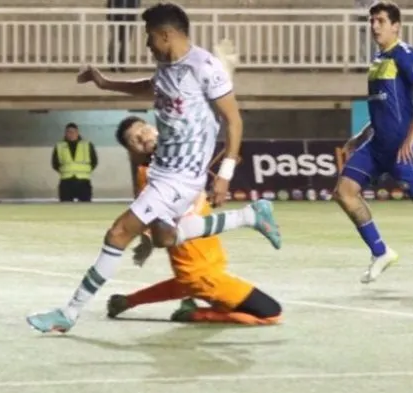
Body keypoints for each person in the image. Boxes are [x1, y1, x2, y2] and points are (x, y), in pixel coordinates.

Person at [25, 3, 282, 335]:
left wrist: (225, 175)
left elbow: (233, 120)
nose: (147, 44)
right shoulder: (167, 67)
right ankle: (250, 216)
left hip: (181, 177)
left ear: (166, 34)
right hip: (165, 171)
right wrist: (105, 83)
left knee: (118, 233)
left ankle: (68, 313)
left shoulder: (204, 67)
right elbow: (150, 85)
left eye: (149, 37)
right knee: (165, 237)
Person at [107, 116, 283, 325]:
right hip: (204, 273)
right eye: (135, 139)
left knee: (188, 281)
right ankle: (195, 314)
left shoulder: (174, 163)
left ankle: (128, 301)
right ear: (133, 152)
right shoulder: (153, 175)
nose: (143, 136)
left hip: (202, 268)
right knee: (272, 314)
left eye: (144, 129)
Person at [333, 1, 413, 283]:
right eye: (372, 21)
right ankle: (380, 252)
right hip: (377, 145)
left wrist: (412, 136)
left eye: (380, 21)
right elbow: (384, 107)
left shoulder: (404, 54)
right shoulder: (378, 59)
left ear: (396, 26)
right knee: (344, 192)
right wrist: (361, 136)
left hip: (403, 148)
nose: (374, 26)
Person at [52, 122, 97, 202]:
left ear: (77, 132)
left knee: (85, 206)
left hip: (83, 181)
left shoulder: (87, 145)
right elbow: (55, 163)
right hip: (66, 181)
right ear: (65, 133)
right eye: (69, 132)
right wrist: (64, 171)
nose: (71, 134)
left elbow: (94, 161)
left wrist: (86, 170)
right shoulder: (59, 146)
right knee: (65, 206)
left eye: (73, 132)